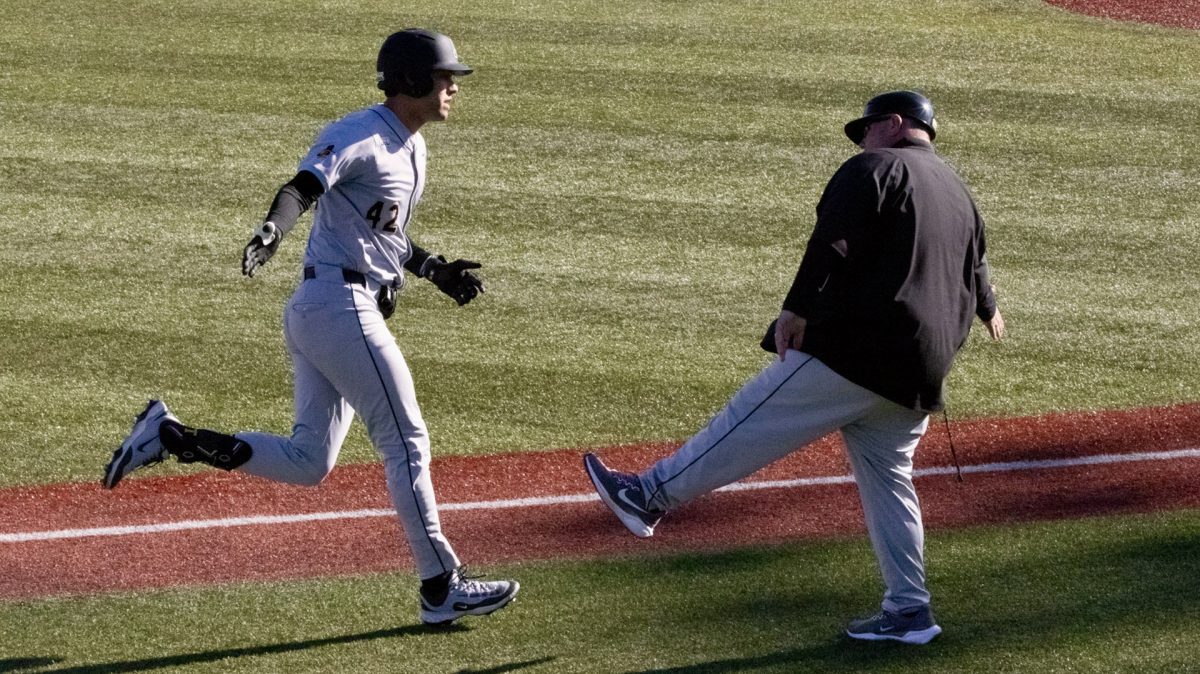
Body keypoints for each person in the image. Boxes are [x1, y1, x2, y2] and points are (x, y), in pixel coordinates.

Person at [103, 28, 519, 626]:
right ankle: (440, 586)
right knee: (407, 442)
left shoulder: (411, 147)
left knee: (308, 461)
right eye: (443, 74)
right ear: (409, 81)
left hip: (330, 308)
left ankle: (171, 436)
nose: (453, 84)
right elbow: (304, 186)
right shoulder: (359, 134)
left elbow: (381, 233)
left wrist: (431, 268)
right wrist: (272, 230)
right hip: (338, 306)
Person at [584, 90, 1004, 645]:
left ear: (896, 124)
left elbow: (831, 245)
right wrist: (991, 309)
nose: (862, 139)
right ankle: (909, 612)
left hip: (861, 350)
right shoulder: (957, 189)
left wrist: (796, 308)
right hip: (922, 370)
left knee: (750, 419)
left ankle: (649, 494)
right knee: (889, 484)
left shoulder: (873, 167)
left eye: (868, 128)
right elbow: (976, 271)